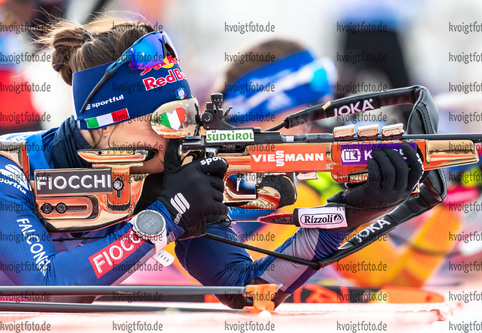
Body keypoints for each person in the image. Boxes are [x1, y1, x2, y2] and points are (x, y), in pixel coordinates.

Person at [0, 18, 424, 309]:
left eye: (185, 116)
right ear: (103, 125)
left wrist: (351, 213)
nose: (179, 133)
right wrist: (164, 218)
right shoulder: (10, 171)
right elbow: (48, 289)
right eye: (161, 120)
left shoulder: (170, 169)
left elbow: (250, 291)